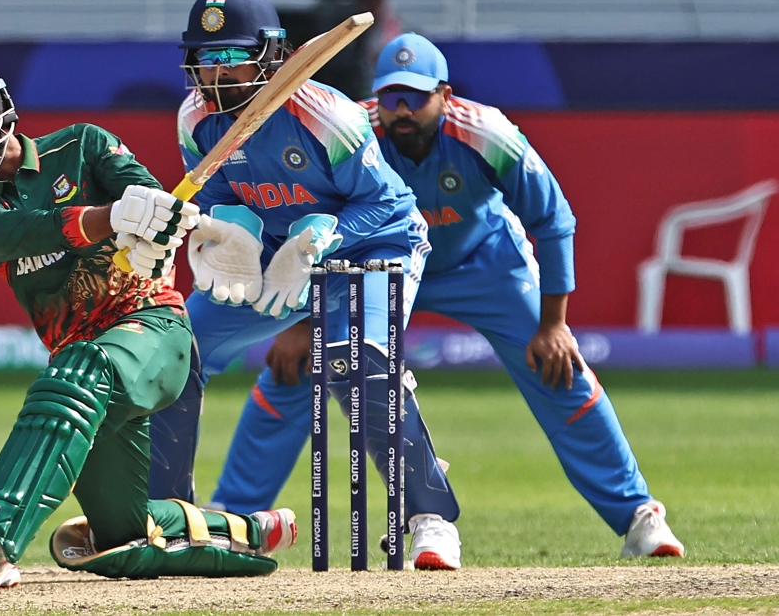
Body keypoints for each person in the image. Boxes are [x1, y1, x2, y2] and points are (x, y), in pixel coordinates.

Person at [256, 33, 686, 558]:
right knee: (349, 366)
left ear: (446, 95)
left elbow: (552, 220)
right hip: (381, 262)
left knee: (559, 369)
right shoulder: (349, 130)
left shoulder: (487, 133)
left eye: (416, 98)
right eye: (391, 99)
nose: (402, 111)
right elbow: (312, 226)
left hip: (483, 263)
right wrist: (304, 322)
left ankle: (639, 517)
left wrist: (553, 325)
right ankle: (426, 519)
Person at [0, 56, 297, 589]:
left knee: (76, 366)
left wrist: (172, 231)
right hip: (86, 380)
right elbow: (40, 230)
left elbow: (157, 206)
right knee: (117, 540)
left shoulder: (83, 146)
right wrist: (110, 218)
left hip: (154, 332)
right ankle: (248, 529)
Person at [147, 0, 464, 571]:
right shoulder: (196, 118)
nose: (215, 74)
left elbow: (387, 206)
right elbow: (214, 192)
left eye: (231, 56)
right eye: (205, 57)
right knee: (173, 348)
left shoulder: (327, 115)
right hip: (278, 263)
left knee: (360, 358)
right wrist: (229, 225)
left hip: (377, 248)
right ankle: (165, 516)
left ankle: (430, 518)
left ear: (271, 54)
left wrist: (323, 237)